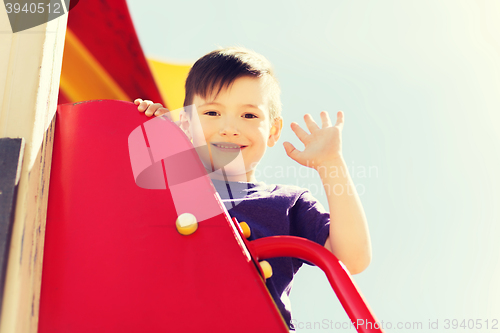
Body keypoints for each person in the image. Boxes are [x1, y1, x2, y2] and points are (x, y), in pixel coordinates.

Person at [134, 46, 372, 330]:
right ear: (186, 123)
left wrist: (331, 164)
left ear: (272, 131)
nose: (229, 128)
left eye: (248, 116)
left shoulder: (286, 203)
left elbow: (353, 258)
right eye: (212, 112)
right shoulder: (166, 185)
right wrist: (155, 135)